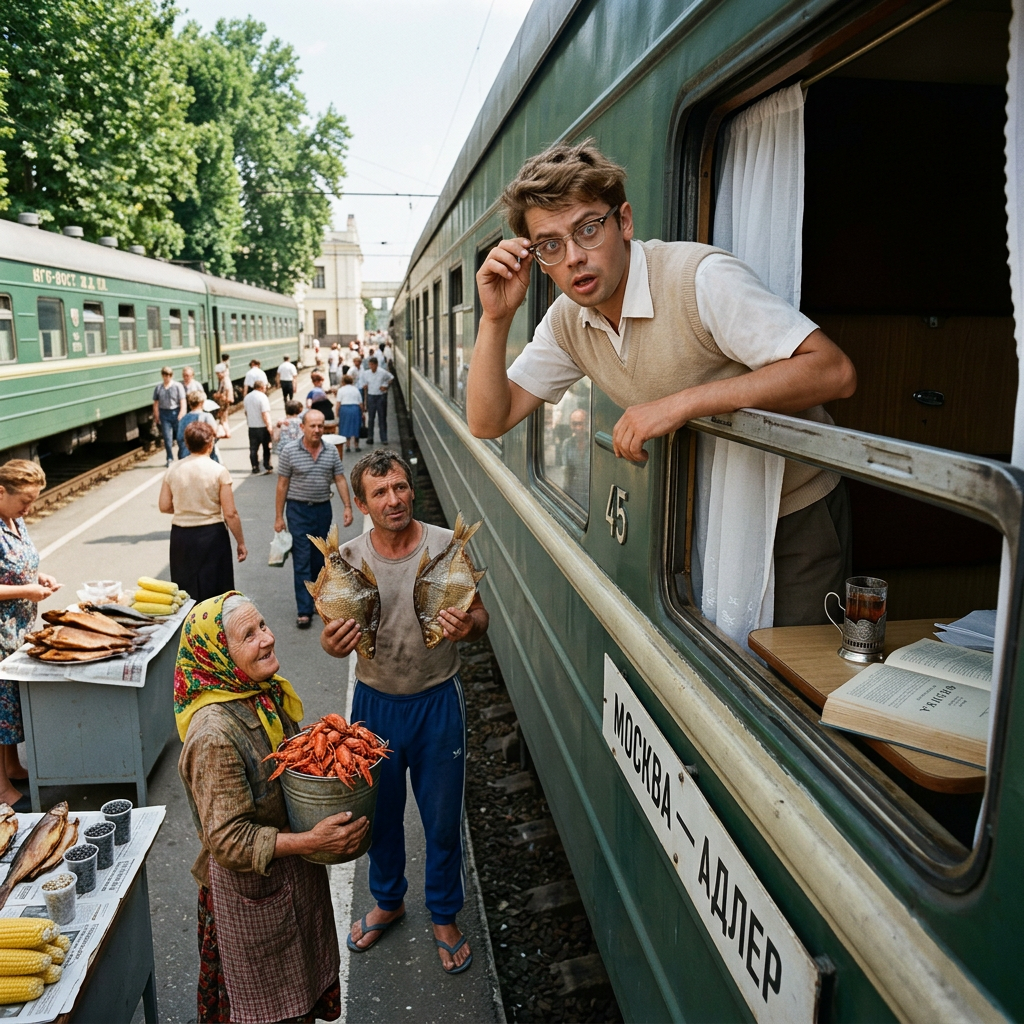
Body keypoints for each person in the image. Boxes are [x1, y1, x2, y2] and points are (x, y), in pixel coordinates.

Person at [468, 140, 858, 627]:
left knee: (788, 674)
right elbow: (488, 420)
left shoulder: (700, 279)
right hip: (701, 513)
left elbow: (833, 371)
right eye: (550, 245)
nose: (573, 257)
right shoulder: (567, 320)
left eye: (588, 229)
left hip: (792, 512)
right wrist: (495, 318)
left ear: (624, 222)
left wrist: (681, 405)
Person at [320, 450, 487, 975]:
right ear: (363, 504)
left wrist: (471, 627)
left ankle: (444, 914)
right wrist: (331, 643)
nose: (394, 499)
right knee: (380, 817)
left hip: (439, 701)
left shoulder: (444, 544)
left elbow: (480, 616)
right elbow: (333, 640)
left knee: (441, 818)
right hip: (375, 704)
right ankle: (388, 901)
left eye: (400, 487)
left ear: (410, 490)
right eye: (380, 492)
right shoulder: (345, 560)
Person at [177, 592, 368, 1024]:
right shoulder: (213, 735)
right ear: (219, 655)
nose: (268, 638)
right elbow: (227, 841)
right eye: (250, 635)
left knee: (300, 987)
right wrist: (311, 840)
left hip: (293, 875)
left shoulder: (260, 694)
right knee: (266, 1007)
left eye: (263, 625)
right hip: (250, 895)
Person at [0, 460, 61, 811]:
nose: (29, 508)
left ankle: (10, 765)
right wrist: (26, 590)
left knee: (8, 704)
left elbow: (19, 563)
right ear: (1, 492)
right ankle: (0, 785)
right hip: (2, 630)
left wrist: (41, 578)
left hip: (16, 629)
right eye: (24, 499)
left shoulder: (15, 518)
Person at [274, 410, 354, 629]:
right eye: (313, 426)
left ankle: (319, 602)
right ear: (303, 427)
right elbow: (282, 485)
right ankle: (304, 610)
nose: (318, 430)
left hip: (322, 510)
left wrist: (347, 506)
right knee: (302, 559)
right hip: (298, 511)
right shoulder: (290, 451)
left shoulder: (331, 451)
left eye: (321, 426)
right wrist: (279, 517)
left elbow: (339, 478)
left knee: (321, 559)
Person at [159, 422, 247, 600]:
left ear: (187, 444)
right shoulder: (219, 471)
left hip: (181, 537)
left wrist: (186, 507)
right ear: (210, 443)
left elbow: (164, 506)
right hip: (212, 536)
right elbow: (230, 513)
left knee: (186, 591)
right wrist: (240, 543)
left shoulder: (173, 470)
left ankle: (190, 627)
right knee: (217, 591)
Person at [153, 366, 188, 468]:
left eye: (168, 375)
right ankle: (169, 458)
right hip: (164, 414)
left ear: (171, 376)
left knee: (180, 437)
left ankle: (182, 456)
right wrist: (156, 415)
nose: (166, 377)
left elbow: (182, 400)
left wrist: (182, 412)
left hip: (176, 412)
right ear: (162, 375)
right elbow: (156, 403)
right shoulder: (159, 388)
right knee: (167, 438)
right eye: (164, 375)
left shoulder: (177, 386)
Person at [558, 406, 590, 507]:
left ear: (587, 425)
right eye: (574, 424)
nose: (577, 428)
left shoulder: (594, 444)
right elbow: (566, 474)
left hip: (591, 495)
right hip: (574, 495)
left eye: (580, 424)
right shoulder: (567, 444)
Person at [177, 391, 220, 462]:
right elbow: (215, 434)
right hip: (205, 457)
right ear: (201, 402)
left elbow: (179, 438)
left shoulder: (183, 419)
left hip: (185, 457)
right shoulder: (207, 416)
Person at [362, 357, 394, 445]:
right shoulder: (366, 373)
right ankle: (370, 437)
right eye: (370, 365)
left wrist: (386, 386)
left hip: (381, 396)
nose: (371, 366)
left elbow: (391, 378)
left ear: (376, 364)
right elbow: (364, 385)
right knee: (371, 418)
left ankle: (384, 438)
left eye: (372, 365)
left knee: (382, 418)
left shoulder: (382, 372)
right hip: (371, 396)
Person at [244, 379, 273, 475]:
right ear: (261, 388)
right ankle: (266, 465)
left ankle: (255, 467)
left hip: (252, 427)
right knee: (266, 447)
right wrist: (269, 426)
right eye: (264, 387)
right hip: (262, 427)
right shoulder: (263, 397)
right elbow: (265, 413)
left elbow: (246, 412)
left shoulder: (247, 397)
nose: (265, 389)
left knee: (253, 448)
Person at [335, 375, 364, 454]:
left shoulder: (341, 390)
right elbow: (360, 403)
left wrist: (337, 412)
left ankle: (347, 445)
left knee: (346, 427)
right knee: (356, 427)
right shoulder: (356, 390)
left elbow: (338, 403)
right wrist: (362, 412)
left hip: (345, 409)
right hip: (355, 409)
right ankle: (356, 445)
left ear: (343, 381)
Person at [213, 353, 232, 427]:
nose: (217, 376)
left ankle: (224, 428)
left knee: (223, 414)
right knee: (224, 414)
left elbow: (227, 389)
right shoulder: (223, 380)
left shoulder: (225, 380)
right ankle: (224, 426)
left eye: (218, 374)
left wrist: (219, 395)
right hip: (223, 399)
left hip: (224, 400)